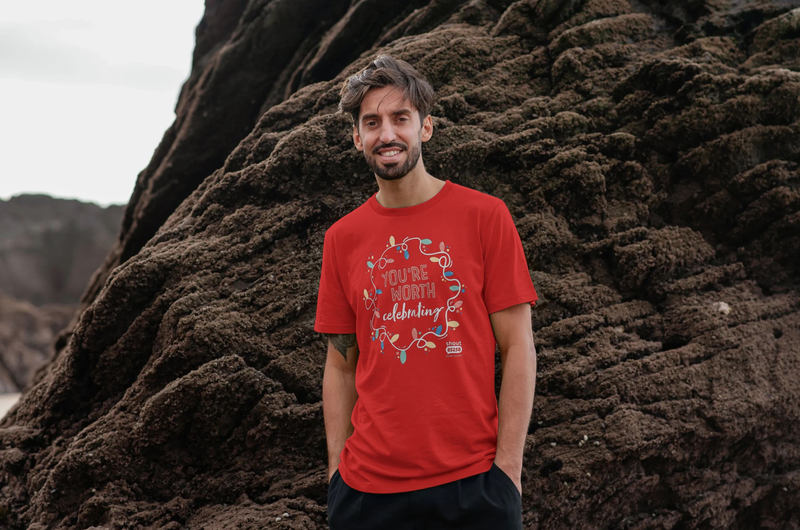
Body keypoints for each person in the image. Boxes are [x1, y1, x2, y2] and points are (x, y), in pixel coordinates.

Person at [314, 54, 538, 529]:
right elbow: (339, 364)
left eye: (401, 118)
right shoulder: (342, 239)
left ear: (426, 127)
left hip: (475, 488)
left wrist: (508, 473)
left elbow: (518, 346)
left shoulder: (485, 216)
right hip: (366, 495)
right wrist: (337, 477)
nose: (387, 134)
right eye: (372, 122)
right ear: (357, 137)